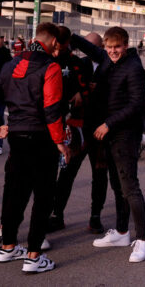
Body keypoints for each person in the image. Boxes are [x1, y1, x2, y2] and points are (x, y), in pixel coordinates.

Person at [0, 22, 68, 274]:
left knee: (14, 194)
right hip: (42, 139)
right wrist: (60, 142)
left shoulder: (11, 64)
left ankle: (7, 247)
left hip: (17, 137)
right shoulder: (50, 66)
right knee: (43, 197)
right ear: (52, 41)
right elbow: (52, 110)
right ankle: (33, 256)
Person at [91, 26, 145, 263]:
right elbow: (89, 47)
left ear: (126, 46)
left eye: (117, 47)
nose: (113, 51)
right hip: (110, 133)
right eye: (109, 47)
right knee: (117, 185)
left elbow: (137, 104)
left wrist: (108, 123)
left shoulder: (134, 68)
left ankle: (143, 240)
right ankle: (122, 232)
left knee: (130, 188)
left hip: (125, 133)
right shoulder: (110, 62)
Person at [49, 28, 108, 235]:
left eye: (92, 47)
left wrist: (95, 92)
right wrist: (78, 93)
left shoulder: (110, 66)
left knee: (100, 174)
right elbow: (63, 89)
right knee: (66, 173)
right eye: (85, 46)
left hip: (100, 130)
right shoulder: (78, 64)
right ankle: (57, 215)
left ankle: (95, 217)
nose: (87, 51)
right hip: (78, 128)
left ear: (99, 48)